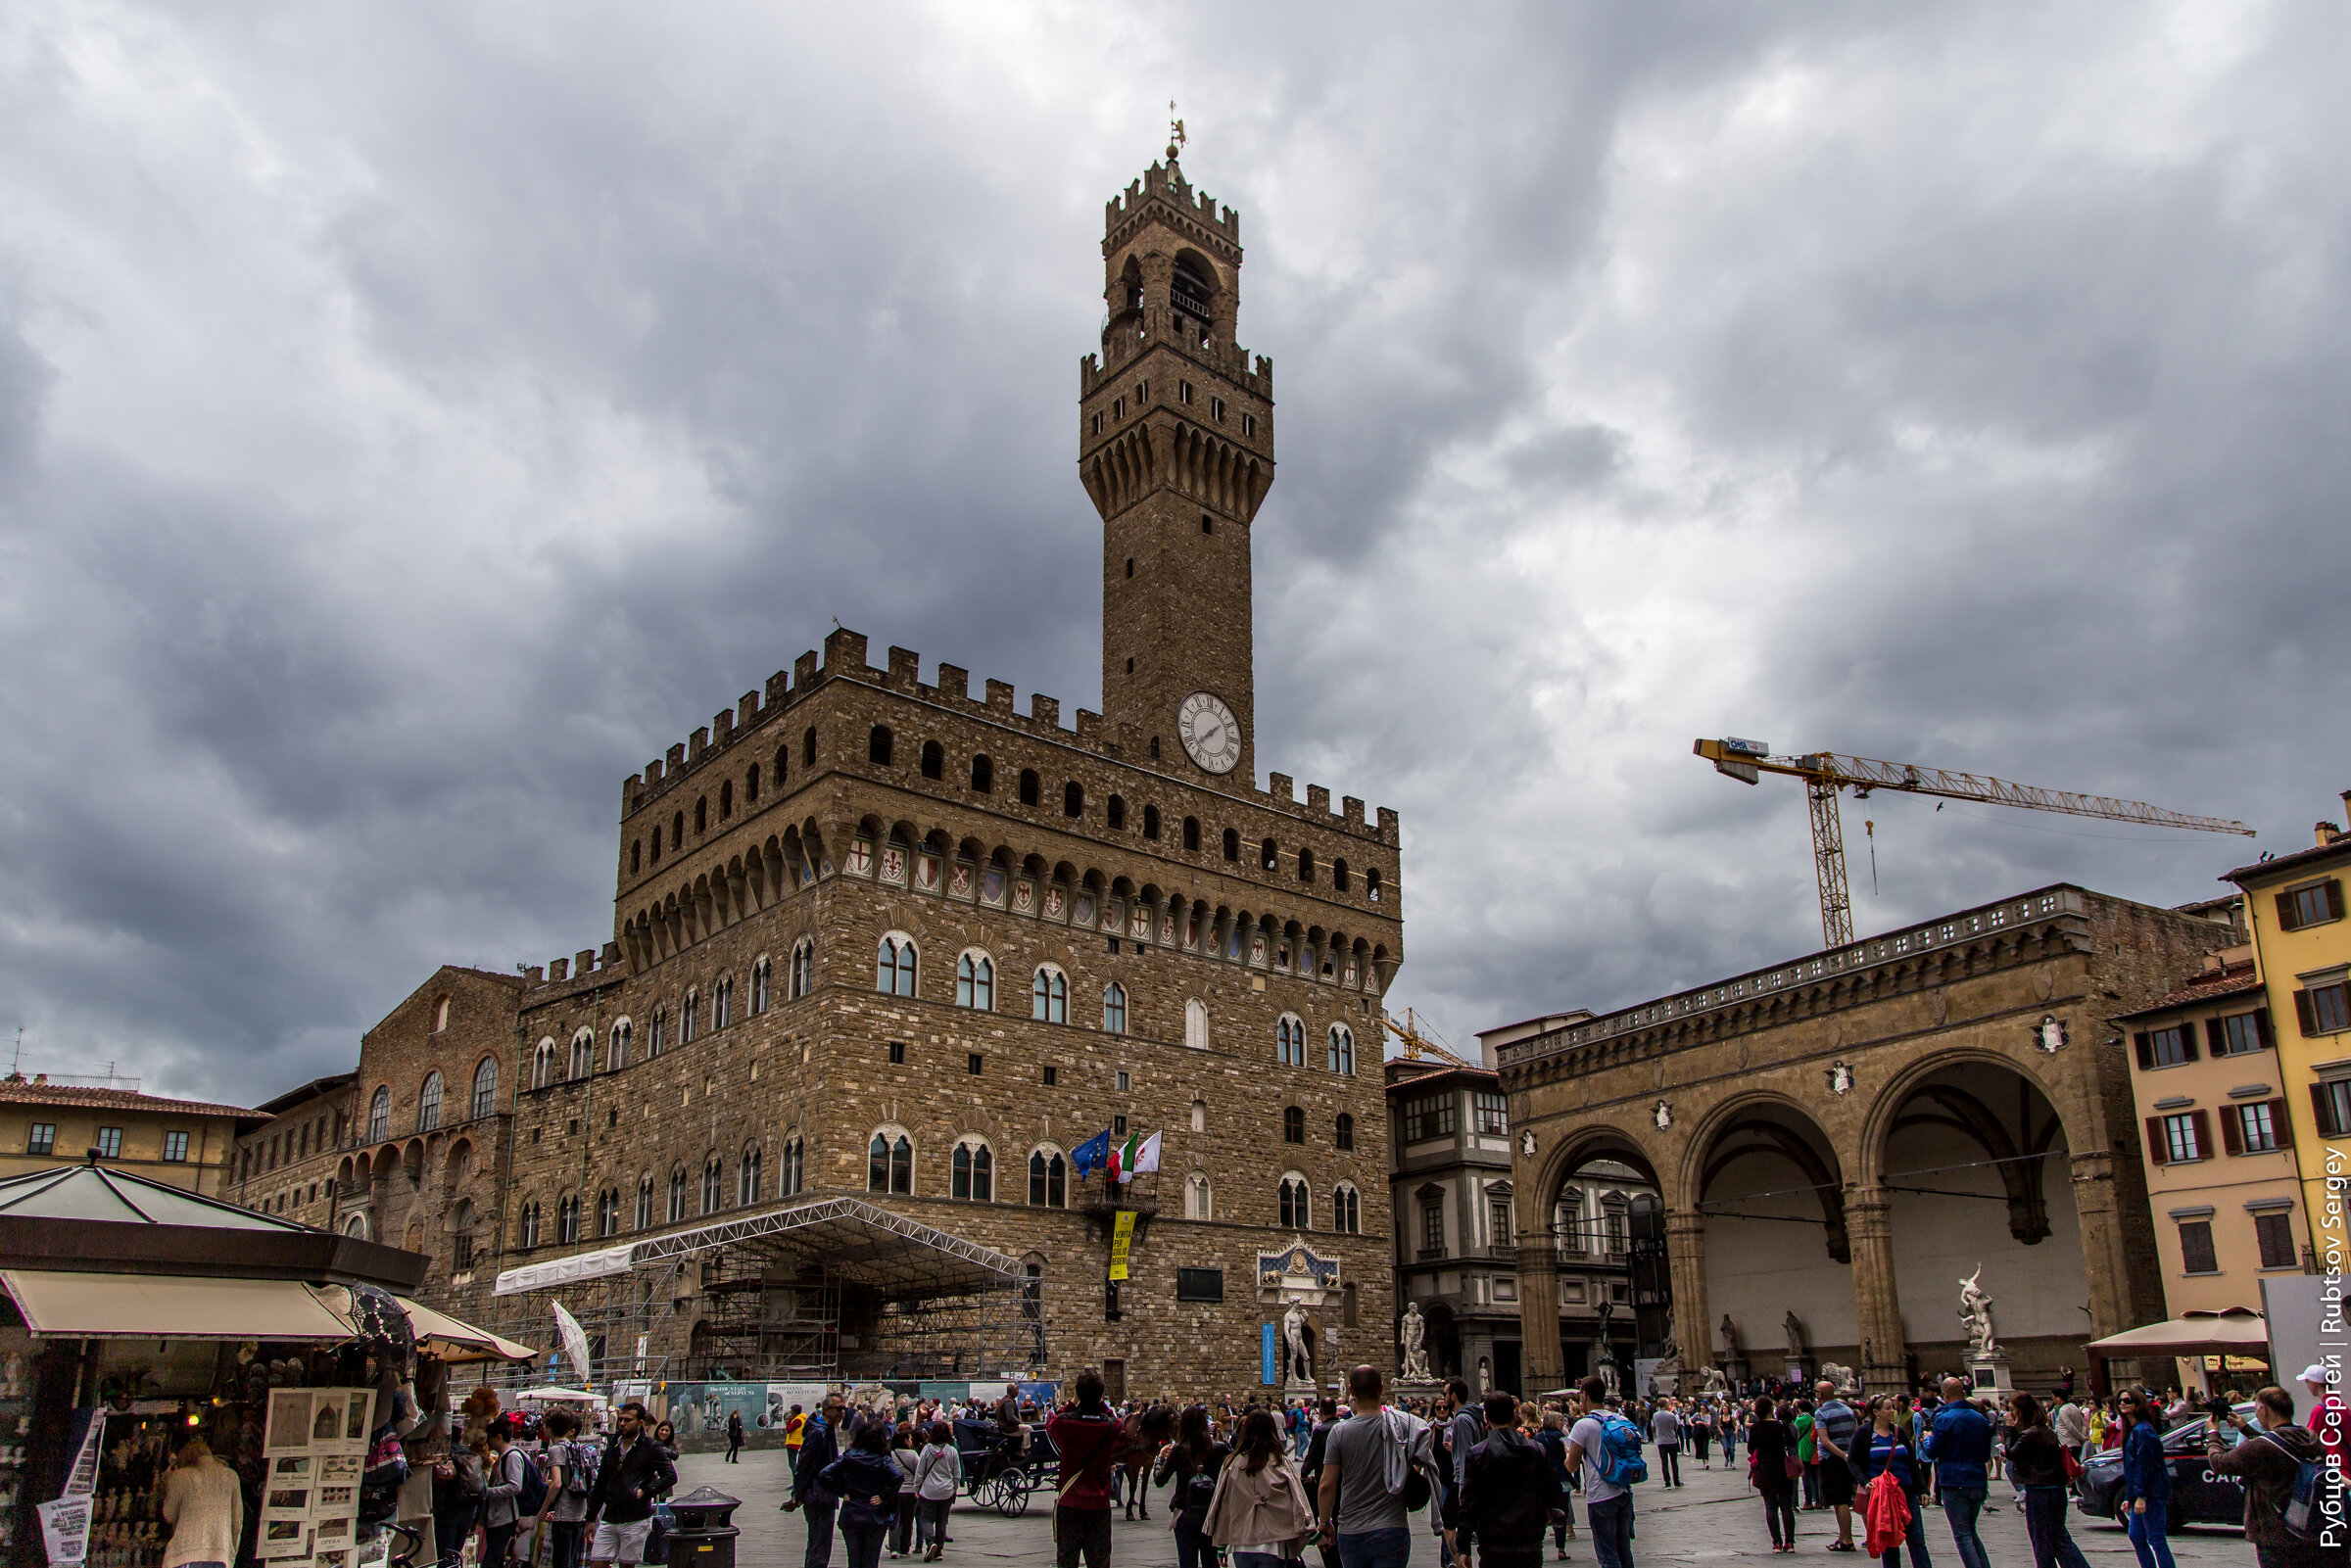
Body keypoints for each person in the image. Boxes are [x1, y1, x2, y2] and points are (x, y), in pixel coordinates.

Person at [1316, 1364, 1446, 1568]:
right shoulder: (1405, 1426)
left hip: (1351, 1530)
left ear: (1351, 1390)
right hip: (1392, 1529)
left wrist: (1324, 1523)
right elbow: (1422, 1451)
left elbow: (1326, 1485)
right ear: (1382, 1389)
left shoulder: (1339, 1433)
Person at [2205, 1385, 2326, 1568]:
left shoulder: (2262, 1447)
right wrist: (2245, 1428)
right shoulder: (2308, 1437)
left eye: (2256, 1409)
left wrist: (2213, 1434)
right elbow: (2276, 1444)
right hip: (2306, 1525)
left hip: (2275, 1532)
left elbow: (2219, 1463)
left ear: (2263, 1409)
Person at [1452, 1392, 1564, 1568]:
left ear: (1486, 1418)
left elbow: (1468, 1504)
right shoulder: (1537, 1449)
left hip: (1494, 1543)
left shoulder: (1477, 1454)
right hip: (1529, 1542)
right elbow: (1553, 1491)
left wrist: (1464, 1548)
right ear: (1514, 1415)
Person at [1207, 1406, 1318, 1568]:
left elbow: (1224, 1503)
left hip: (1241, 1542)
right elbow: (1298, 1499)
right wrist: (1312, 1533)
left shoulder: (1232, 1463)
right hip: (1273, 1542)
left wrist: (1221, 1546)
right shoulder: (1280, 1462)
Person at [1045, 1369, 1125, 1568]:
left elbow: (1051, 1423)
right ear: (1100, 1396)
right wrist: (1102, 1404)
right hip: (1099, 1504)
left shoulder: (1066, 1423)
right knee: (1099, 1562)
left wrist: (1072, 1402)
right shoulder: (1110, 1426)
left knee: (1066, 1561)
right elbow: (1119, 1425)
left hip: (1070, 1502)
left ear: (1079, 1394)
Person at [2001, 1394, 2088, 1568]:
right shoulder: (2045, 1430)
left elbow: (2012, 1453)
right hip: (2054, 1489)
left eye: (2012, 1410)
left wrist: (2010, 1429)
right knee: (2058, 1537)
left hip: (2039, 1490)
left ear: (2021, 1411)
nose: (2009, 1414)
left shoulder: (2030, 1433)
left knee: (2041, 1540)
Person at [585, 1402, 676, 1568]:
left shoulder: (650, 1447)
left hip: (636, 1517)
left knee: (627, 1564)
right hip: (610, 1516)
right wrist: (591, 1517)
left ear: (640, 1423)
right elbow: (601, 1481)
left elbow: (670, 1476)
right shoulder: (613, 1444)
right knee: (597, 1562)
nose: (622, 1423)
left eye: (628, 1420)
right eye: (621, 1419)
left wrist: (646, 1490)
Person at [1850, 1397, 1929, 1568]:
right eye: (1888, 1408)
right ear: (1876, 1413)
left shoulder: (1898, 1432)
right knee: (1889, 1541)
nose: (1892, 1411)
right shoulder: (1865, 1433)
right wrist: (1864, 1481)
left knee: (1916, 1539)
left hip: (1906, 1492)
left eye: (1892, 1408)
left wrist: (1923, 1489)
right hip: (1883, 1495)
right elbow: (1853, 1460)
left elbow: (1912, 1463)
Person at [1562, 1376, 1632, 1568]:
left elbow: (1571, 1467)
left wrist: (1567, 1453)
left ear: (1584, 1395)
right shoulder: (1620, 1418)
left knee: (1608, 1555)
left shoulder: (1583, 1425)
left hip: (1600, 1496)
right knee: (1624, 1551)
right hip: (1624, 1492)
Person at [1921, 1381, 1991, 1568]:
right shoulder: (1980, 1418)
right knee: (1970, 1532)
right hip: (1977, 1480)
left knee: (1962, 1535)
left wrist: (1927, 1439)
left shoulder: (1944, 1418)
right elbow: (1986, 1455)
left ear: (1944, 1394)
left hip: (1954, 1480)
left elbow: (1932, 1452)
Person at [819, 1418, 905, 1568]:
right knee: (871, 1560)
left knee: (854, 1559)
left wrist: (841, 1491)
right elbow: (897, 1476)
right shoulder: (882, 1459)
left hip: (851, 1510)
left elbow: (825, 1474)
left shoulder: (848, 1457)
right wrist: (884, 1496)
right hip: (874, 1513)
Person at [1156, 1404, 1232, 1568]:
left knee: (1187, 1562)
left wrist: (1160, 1460)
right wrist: (1222, 1440)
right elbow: (1234, 1461)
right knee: (1210, 1562)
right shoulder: (1217, 1448)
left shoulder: (1179, 1449)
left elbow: (1159, 1481)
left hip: (1185, 1511)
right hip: (1211, 1512)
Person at [160, 1435, 244, 1568]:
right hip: (220, 1556)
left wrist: (167, 1484)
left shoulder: (180, 1476)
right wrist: (230, 1556)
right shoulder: (231, 1476)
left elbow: (169, 1515)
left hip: (185, 1554)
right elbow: (237, 1523)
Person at [785, 1394, 847, 1568]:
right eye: (839, 1409)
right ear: (826, 1410)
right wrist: (797, 1495)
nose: (842, 1412)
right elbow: (804, 1466)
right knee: (819, 1546)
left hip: (822, 1494)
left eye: (844, 1409)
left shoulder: (825, 1430)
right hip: (818, 1495)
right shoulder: (819, 1433)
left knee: (820, 1544)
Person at [2115, 1390, 2176, 1568]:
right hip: (2140, 1492)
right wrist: (2129, 1496)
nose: (2122, 1403)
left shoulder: (2143, 1431)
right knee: (2136, 1535)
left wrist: (2140, 1496)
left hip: (2151, 1492)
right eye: (2120, 1400)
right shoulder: (2134, 1430)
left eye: (2127, 1400)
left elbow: (2145, 1465)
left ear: (2137, 1404)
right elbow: (2132, 1468)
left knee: (2155, 1538)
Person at [539, 1408, 593, 1568]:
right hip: (580, 1511)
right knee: (572, 1558)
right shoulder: (578, 1448)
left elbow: (556, 1483)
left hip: (563, 1513)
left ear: (549, 1427)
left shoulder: (556, 1450)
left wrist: (543, 1510)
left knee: (561, 1560)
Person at [1812, 1383, 1861, 1553]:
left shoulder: (1821, 1412)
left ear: (1821, 1395)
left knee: (1840, 1501)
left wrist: (1841, 1454)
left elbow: (1824, 1440)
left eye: (1817, 1392)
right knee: (1840, 1499)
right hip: (1848, 1457)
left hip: (1833, 1459)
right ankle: (1842, 1536)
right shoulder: (1848, 1410)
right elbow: (1856, 1434)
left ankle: (1847, 1539)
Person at [1749, 1398, 1798, 1553]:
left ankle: (1776, 1542)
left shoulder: (1755, 1428)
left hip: (1764, 1469)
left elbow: (1751, 1449)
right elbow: (1791, 1443)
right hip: (1782, 1468)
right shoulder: (1782, 1425)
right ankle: (1789, 1543)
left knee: (1770, 1506)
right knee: (1786, 1506)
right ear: (1771, 1409)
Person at [483, 1416, 529, 1568]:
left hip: (505, 1518)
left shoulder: (512, 1457)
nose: (486, 1441)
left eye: (489, 1437)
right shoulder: (503, 1457)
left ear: (498, 1437)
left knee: (492, 1561)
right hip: (498, 1517)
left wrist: (487, 1491)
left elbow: (515, 1487)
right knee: (493, 1559)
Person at [911, 1422, 959, 1562]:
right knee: (942, 1521)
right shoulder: (952, 1451)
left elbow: (920, 1471)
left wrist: (917, 1488)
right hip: (946, 1490)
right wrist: (954, 1489)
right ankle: (939, 1551)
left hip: (929, 1491)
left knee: (926, 1519)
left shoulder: (927, 1449)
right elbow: (956, 1474)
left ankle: (930, 1543)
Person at [2299, 1365, 2346, 1477]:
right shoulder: (2342, 1406)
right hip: (2346, 1467)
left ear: (2314, 1383)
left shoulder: (2321, 1410)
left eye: (2307, 1382)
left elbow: (2308, 1439)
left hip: (2335, 1470)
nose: (2308, 1386)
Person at [1647, 1402, 1681, 1490]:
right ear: (1665, 1405)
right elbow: (1676, 1427)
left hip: (1661, 1441)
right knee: (1674, 1462)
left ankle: (1667, 1482)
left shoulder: (1655, 1415)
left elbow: (1653, 1427)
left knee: (1664, 1462)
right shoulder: (1671, 1415)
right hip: (1672, 1440)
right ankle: (1676, 1481)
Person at [1689, 1403, 1712, 1469]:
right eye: (1701, 1409)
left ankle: (1707, 1463)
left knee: (1705, 1447)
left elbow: (1708, 1424)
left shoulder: (1708, 1416)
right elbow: (1690, 1419)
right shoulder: (1697, 1414)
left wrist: (1700, 1422)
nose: (1703, 1410)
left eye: (1704, 1409)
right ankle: (1704, 1462)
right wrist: (1692, 1424)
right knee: (1699, 1448)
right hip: (1698, 1433)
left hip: (1705, 1433)